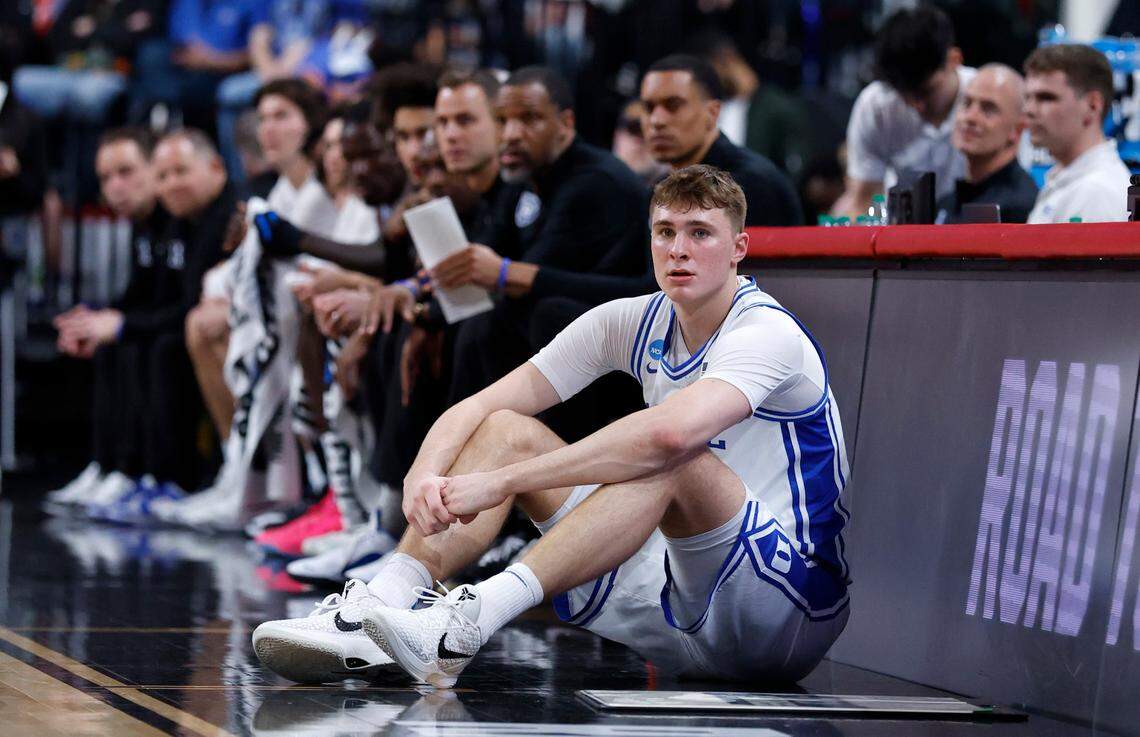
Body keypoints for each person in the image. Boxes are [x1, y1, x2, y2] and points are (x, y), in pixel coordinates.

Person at [251, 165, 851, 687]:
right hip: (682, 601)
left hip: (788, 608)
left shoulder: (765, 333)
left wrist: (504, 483)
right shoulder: (631, 320)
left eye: (700, 234)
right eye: (665, 232)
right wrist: (423, 473)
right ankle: (379, 609)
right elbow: (479, 406)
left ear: (739, 247)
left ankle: (466, 620)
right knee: (508, 425)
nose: (679, 249)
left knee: (669, 450)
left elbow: (668, 437)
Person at [833, 7, 976, 218]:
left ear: (954, 59)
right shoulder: (877, 105)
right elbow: (864, 201)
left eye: (926, 92)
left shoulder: (985, 97)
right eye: (904, 94)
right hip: (901, 231)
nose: (915, 105)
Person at [639, 54, 802, 225]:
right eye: (648, 108)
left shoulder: (752, 186)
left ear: (712, 113)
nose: (656, 120)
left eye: (673, 105)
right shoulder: (657, 190)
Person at [1024, 44, 1132, 224]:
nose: (1029, 109)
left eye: (1046, 97)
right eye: (1027, 97)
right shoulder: (1071, 181)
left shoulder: (1096, 193)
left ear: (1092, 105)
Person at [936, 64, 1037, 224]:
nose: (970, 117)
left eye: (988, 109)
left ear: (1017, 129)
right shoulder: (945, 203)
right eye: (967, 103)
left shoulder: (1021, 209)